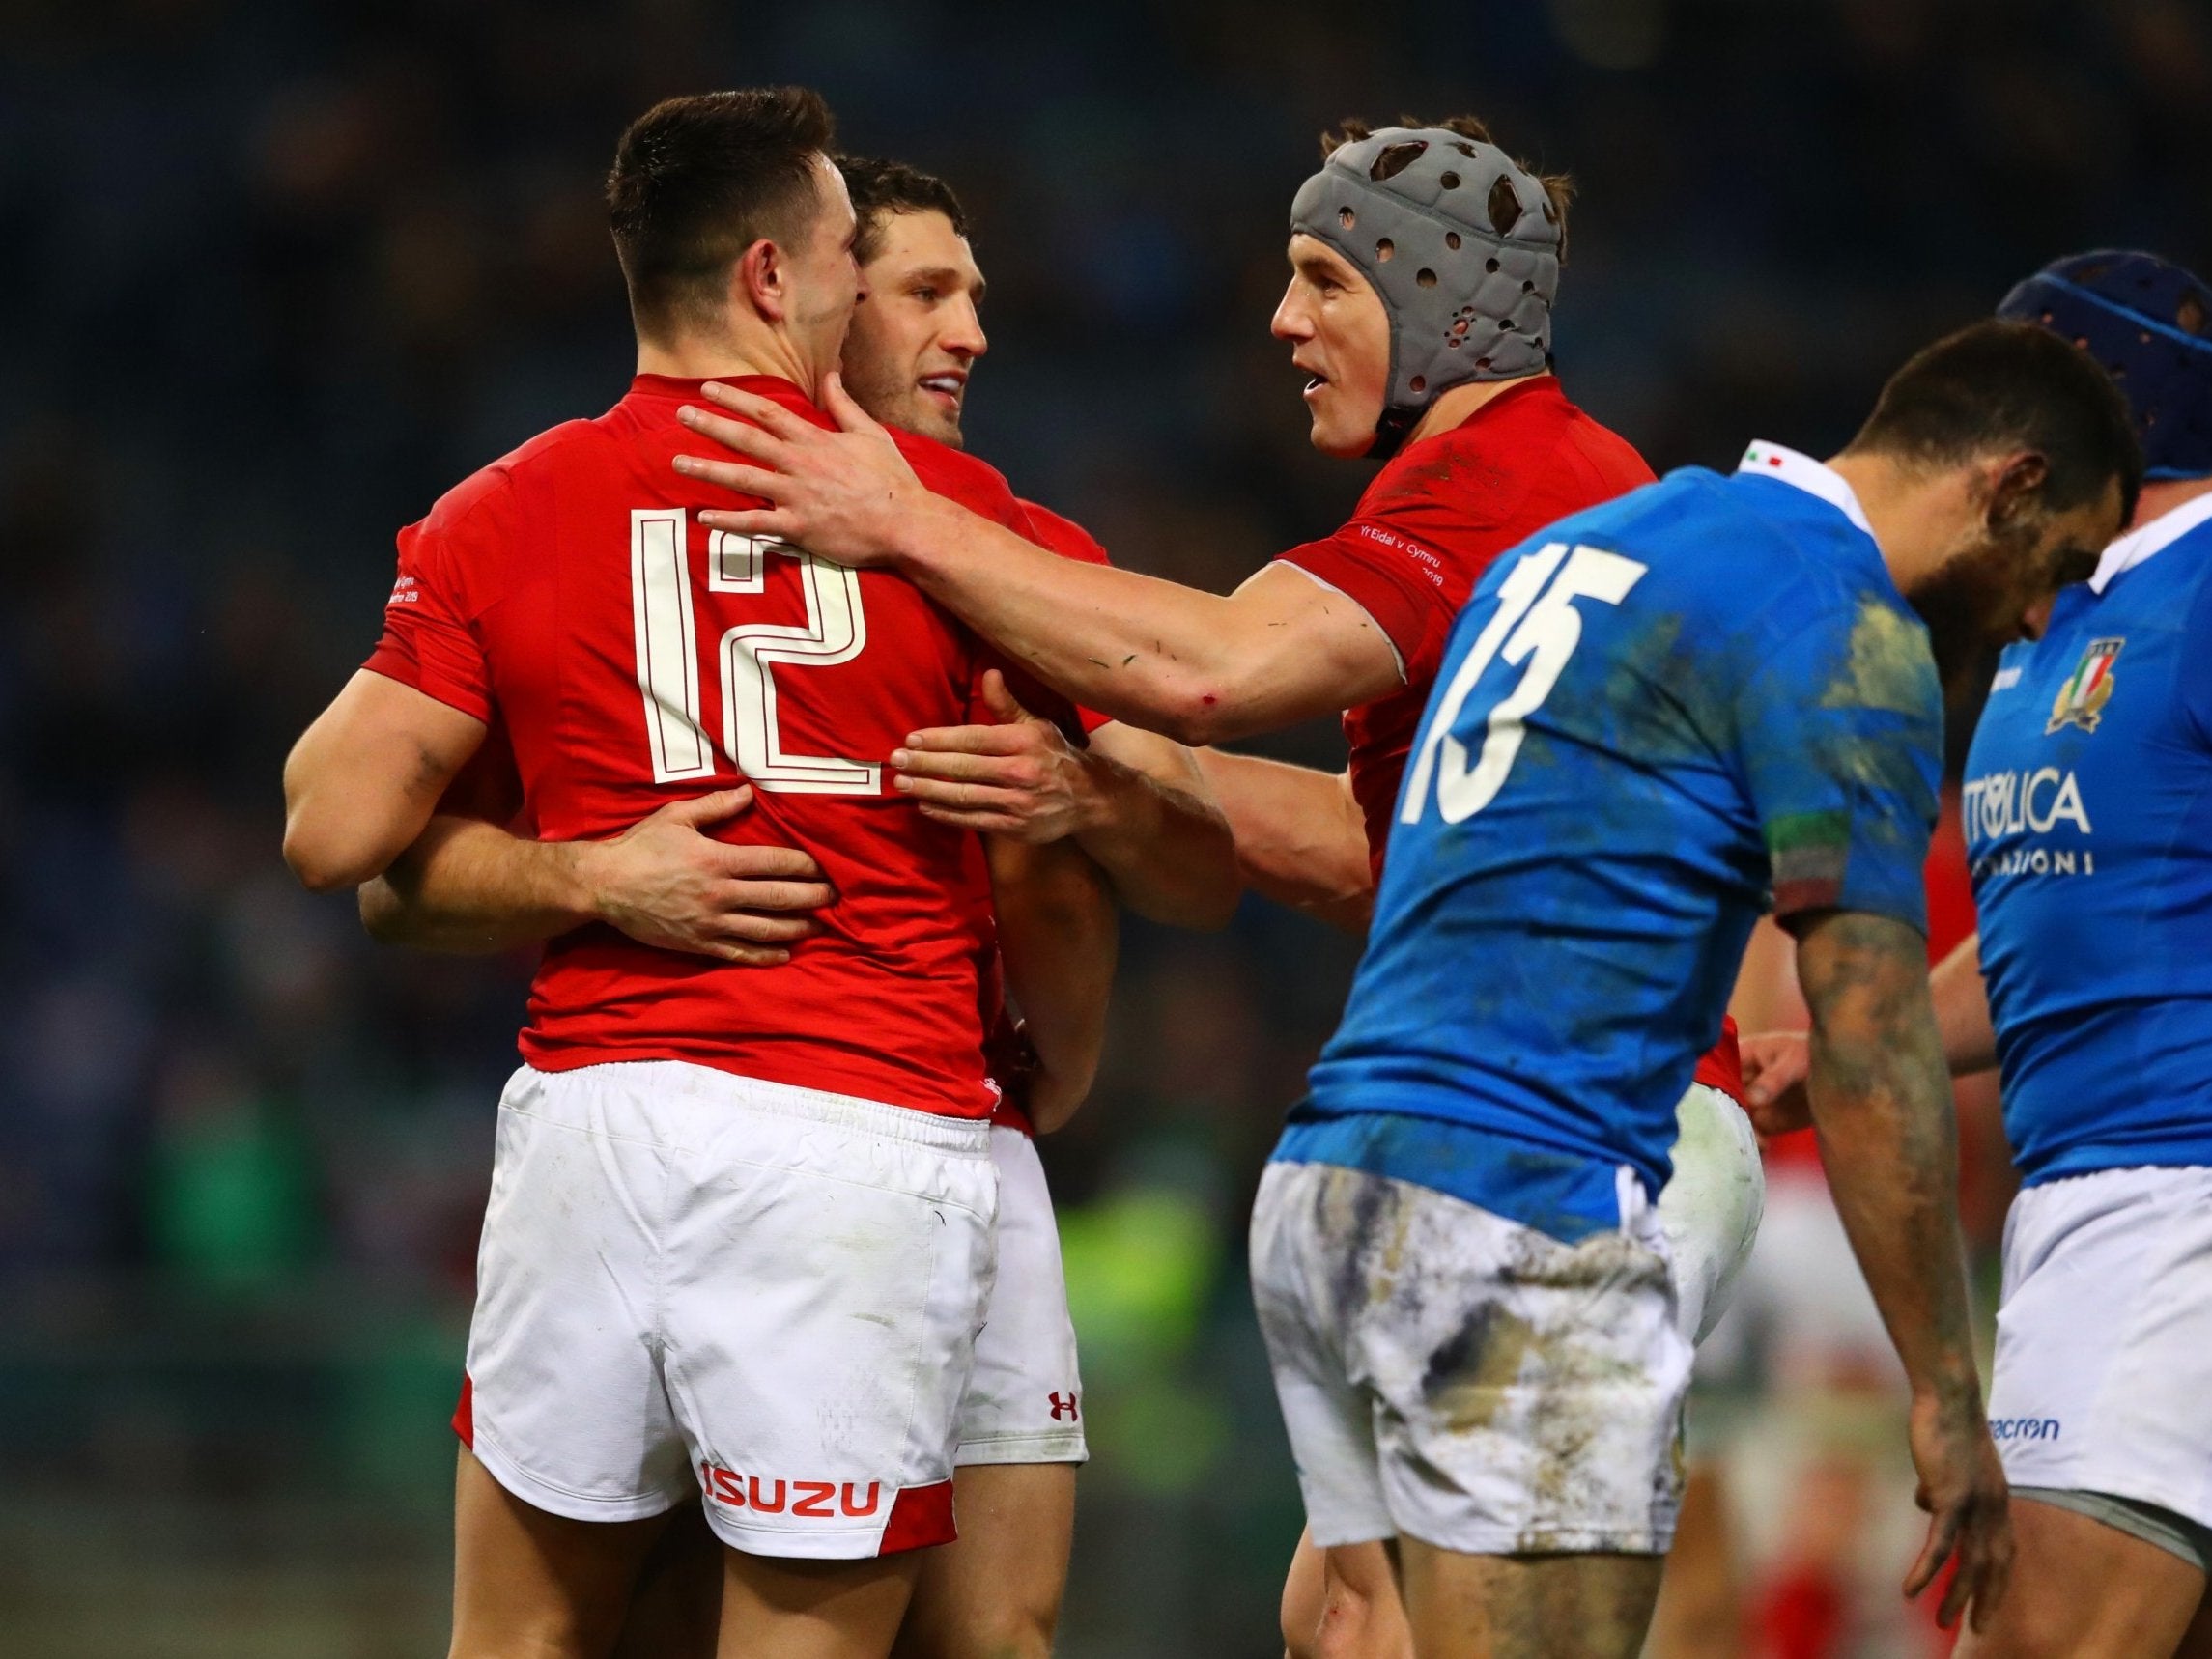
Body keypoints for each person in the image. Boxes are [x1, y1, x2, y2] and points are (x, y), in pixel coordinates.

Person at [664, 116, 1761, 1653]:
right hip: (1560, 1121)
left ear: (1436, 296)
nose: (1283, 321)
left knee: (1475, 1628)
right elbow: (1388, 848)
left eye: (1323, 277)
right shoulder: (1519, 483)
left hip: (1571, 1141)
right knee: (1345, 1618)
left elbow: (1216, 670)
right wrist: (1099, 772)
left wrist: (908, 523)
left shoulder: (1503, 495)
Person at [358, 153, 1235, 1659]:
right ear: (806, 299)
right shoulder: (994, 552)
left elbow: (368, 849)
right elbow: (1156, 877)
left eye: (975, 294)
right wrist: (1066, 1046)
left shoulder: (569, 511)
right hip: (876, 1129)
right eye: (920, 291)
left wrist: (1083, 804)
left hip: (807, 1123)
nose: (967, 332)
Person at [1258, 318, 2137, 1658]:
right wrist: (1946, 1394)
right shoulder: (1841, 625)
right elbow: (1865, 1030)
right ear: (2007, 485)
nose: (2036, 615)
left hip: (1331, 1178)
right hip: (1524, 1210)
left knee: (1357, 1633)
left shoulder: (1590, 544)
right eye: (2056, 564)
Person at [1745, 250, 2212, 1659]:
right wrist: (1850, 1042)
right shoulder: (2050, 615)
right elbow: (2054, 924)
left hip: (2172, 1197)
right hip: (2087, 1203)